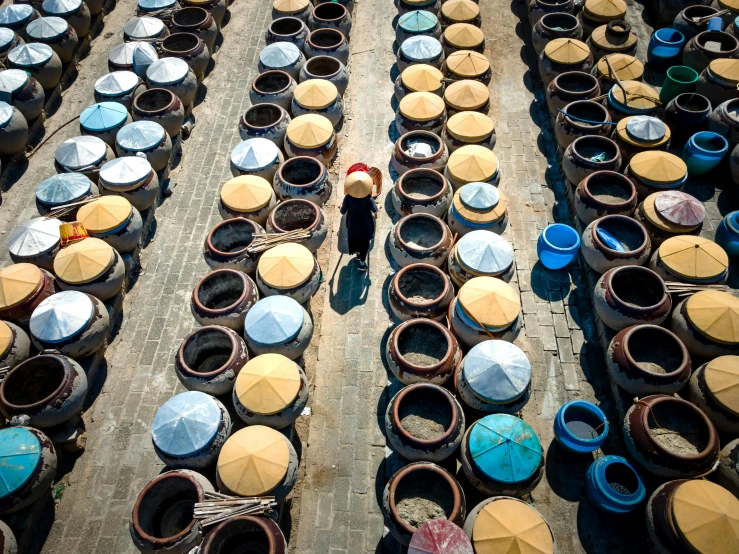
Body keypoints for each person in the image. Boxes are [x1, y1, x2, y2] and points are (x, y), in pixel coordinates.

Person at [340, 171, 378, 271]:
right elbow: (375, 210)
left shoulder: (347, 198)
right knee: (364, 244)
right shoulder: (368, 198)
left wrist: (342, 206)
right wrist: (378, 206)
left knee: (354, 241)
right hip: (366, 226)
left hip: (353, 226)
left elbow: (342, 211)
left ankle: (357, 255)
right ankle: (362, 264)